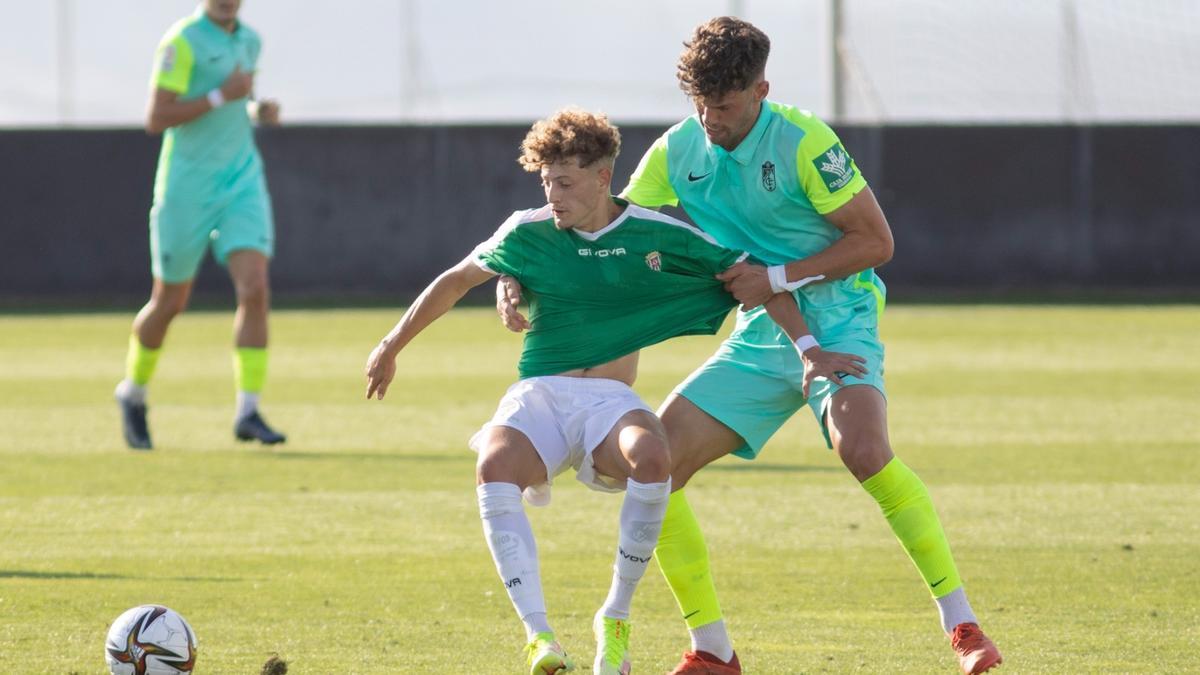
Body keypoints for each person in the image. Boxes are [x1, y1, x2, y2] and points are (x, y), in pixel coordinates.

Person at [496, 17, 1003, 675]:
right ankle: (713, 649)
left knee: (865, 450)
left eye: (725, 105)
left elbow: (877, 243)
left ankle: (962, 625)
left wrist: (777, 276)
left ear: (761, 89)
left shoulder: (802, 140)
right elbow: (593, 217)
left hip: (840, 316)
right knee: (657, 468)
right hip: (763, 331)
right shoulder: (680, 150)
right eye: (699, 104)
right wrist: (517, 276)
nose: (710, 118)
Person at [365, 108, 864, 675]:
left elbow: (752, 279)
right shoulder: (526, 232)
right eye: (547, 181)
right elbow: (455, 280)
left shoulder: (657, 234)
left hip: (609, 401)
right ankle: (540, 637)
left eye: (567, 182)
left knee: (656, 458)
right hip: (543, 395)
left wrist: (808, 350)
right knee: (493, 463)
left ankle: (616, 617)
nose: (553, 195)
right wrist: (391, 343)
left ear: (603, 178)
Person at [114, 0, 285, 450]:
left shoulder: (249, 40)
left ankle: (248, 411)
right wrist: (219, 96)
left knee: (255, 288)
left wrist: (255, 112)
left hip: (240, 182)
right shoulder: (181, 41)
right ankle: (133, 391)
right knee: (169, 302)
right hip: (187, 188)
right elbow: (156, 117)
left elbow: (234, 104)